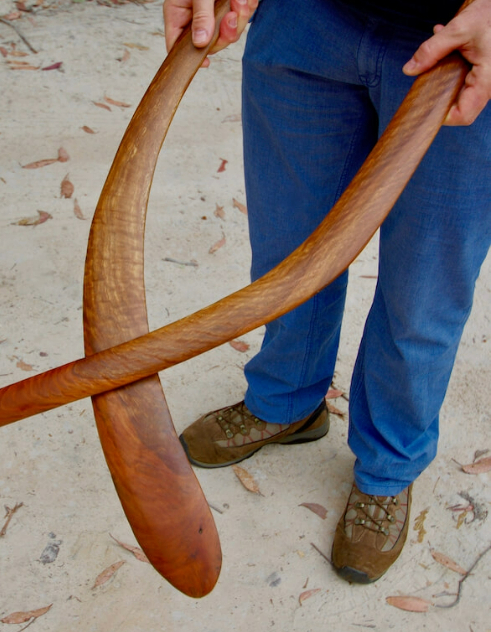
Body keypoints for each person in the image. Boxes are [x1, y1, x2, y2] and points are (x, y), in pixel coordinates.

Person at [163, 0, 491, 583]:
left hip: (461, 42)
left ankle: (389, 468)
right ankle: (286, 403)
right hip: (306, 19)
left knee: (423, 295)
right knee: (288, 258)